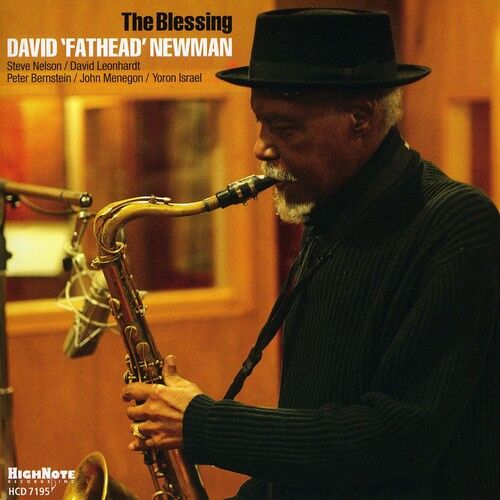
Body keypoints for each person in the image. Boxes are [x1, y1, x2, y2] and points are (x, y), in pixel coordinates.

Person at [121, 8, 500, 499]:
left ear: (361, 118)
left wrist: (203, 424)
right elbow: (312, 439)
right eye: (262, 124)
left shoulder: (456, 224)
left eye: (284, 128)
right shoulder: (330, 219)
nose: (262, 148)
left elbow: (398, 438)